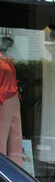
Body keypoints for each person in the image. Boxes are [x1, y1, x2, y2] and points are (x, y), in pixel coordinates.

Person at [0, 36, 22, 166]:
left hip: (13, 97)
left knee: (16, 137)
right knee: (2, 136)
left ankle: (18, 171)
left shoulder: (8, 57)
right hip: (3, 97)